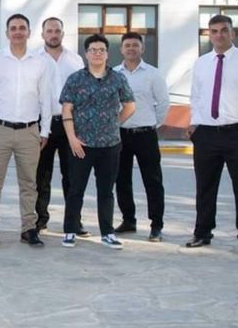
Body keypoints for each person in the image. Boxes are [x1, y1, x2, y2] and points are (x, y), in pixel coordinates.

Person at [185, 14, 238, 256]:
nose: (219, 35)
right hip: (207, 134)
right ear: (208, 34)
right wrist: (194, 122)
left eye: (223, 30)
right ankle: (202, 232)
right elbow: (197, 96)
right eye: (214, 31)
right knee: (205, 186)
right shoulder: (201, 63)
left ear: (232, 33)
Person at [0, 13, 53, 248]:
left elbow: (46, 99)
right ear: (7, 33)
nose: (18, 32)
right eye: (13, 28)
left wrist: (45, 130)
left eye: (22, 28)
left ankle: (28, 228)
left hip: (29, 130)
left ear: (29, 32)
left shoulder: (41, 62)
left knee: (29, 183)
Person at [60, 34, 135, 250]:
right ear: (86, 53)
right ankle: (70, 230)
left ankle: (107, 233)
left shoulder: (118, 78)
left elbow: (130, 105)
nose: (97, 53)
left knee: (106, 191)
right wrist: (72, 138)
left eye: (101, 50)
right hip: (81, 144)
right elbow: (67, 109)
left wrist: (114, 123)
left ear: (107, 53)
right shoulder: (76, 79)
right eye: (93, 50)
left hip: (110, 145)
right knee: (76, 189)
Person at [33, 17, 89, 237]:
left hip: (70, 125)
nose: (53, 34)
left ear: (63, 34)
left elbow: (83, 93)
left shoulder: (75, 60)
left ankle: (74, 221)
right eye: (49, 31)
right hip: (42, 122)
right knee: (41, 175)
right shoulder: (34, 59)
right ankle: (40, 219)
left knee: (73, 175)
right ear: (43, 34)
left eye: (57, 31)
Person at [113, 32, 170, 242]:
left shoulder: (153, 74)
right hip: (120, 134)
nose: (131, 49)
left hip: (146, 134)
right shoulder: (114, 74)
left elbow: (163, 103)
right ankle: (128, 220)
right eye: (127, 45)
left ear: (142, 49)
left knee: (153, 180)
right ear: (121, 49)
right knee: (121, 179)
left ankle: (156, 225)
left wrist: (153, 124)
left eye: (135, 45)